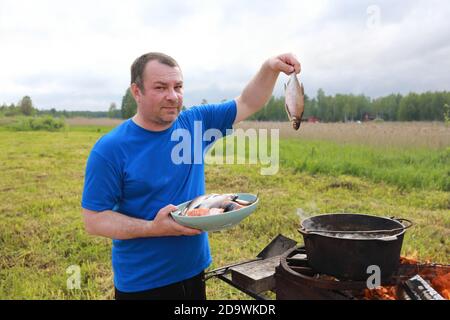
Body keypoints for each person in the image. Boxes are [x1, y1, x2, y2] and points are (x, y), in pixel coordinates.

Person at [81, 52, 301, 300]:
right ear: (137, 91)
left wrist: (269, 68)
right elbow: (94, 219)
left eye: (178, 86)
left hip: (194, 270)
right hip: (142, 284)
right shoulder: (110, 149)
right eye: (160, 87)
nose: (173, 96)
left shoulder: (194, 123)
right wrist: (154, 228)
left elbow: (248, 102)